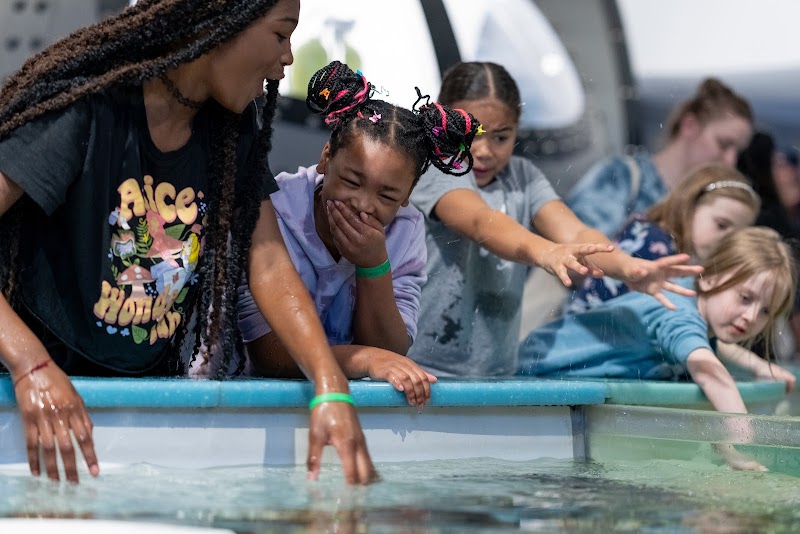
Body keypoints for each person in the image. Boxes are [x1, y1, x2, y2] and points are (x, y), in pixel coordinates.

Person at [0, 0, 375, 485]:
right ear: (222, 25)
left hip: (139, 404)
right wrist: (32, 368)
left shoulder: (230, 129)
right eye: (282, 34)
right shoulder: (88, 105)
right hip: (30, 392)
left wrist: (330, 386)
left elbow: (268, 265)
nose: (288, 58)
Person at [407, 61, 702, 377]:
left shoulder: (523, 176)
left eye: (501, 137)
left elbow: (575, 233)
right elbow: (482, 222)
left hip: (494, 376)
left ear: (518, 129)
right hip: (420, 371)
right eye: (472, 134)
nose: (484, 150)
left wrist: (628, 267)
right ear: (444, 119)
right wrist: (546, 251)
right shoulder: (435, 169)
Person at [235, 61, 479, 408]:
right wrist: (365, 360)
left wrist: (374, 265)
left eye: (387, 196)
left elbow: (391, 351)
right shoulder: (271, 210)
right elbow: (269, 356)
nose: (364, 205)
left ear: (408, 194)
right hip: (252, 403)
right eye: (352, 181)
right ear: (326, 158)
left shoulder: (405, 230)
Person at [518, 226, 798, 470]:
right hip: (538, 371)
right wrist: (744, 444)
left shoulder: (692, 304)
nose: (751, 317)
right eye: (745, 297)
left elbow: (713, 350)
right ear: (711, 277)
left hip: (546, 366)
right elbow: (713, 376)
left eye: (765, 312)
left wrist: (759, 366)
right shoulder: (678, 312)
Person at [567, 78, 753, 239]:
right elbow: (575, 247)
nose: (730, 161)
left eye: (737, 151)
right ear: (689, 125)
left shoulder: (707, 203)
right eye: (723, 144)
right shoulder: (620, 175)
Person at [567, 164, 760, 314]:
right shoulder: (650, 240)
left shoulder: (679, 252)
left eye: (736, 236)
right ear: (689, 206)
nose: (728, 240)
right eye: (721, 225)